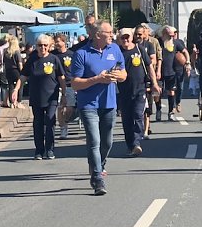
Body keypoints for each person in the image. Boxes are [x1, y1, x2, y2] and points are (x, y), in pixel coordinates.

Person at [71, 20, 126, 195]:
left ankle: (99, 164)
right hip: (88, 105)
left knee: (107, 142)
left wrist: (118, 75)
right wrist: (97, 79)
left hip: (109, 104)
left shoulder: (114, 49)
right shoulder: (81, 54)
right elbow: (75, 83)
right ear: (97, 35)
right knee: (94, 141)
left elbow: (124, 73)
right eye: (108, 33)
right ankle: (97, 179)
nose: (112, 35)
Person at [20, 35, 65, 160]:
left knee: (50, 121)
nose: (43, 47)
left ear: (49, 46)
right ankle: (39, 150)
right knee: (38, 123)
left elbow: (61, 77)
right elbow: (23, 76)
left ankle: (50, 149)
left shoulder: (54, 59)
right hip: (36, 97)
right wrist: (16, 89)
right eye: (40, 45)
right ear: (36, 46)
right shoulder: (32, 60)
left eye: (45, 45)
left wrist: (64, 94)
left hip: (51, 97)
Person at [117, 28, 158, 156]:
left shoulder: (139, 50)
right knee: (127, 119)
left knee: (137, 114)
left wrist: (155, 83)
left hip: (140, 89)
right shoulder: (117, 52)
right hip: (123, 91)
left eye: (127, 37)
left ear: (131, 37)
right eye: (122, 38)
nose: (125, 40)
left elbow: (149, 66)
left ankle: (136, 142)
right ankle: (131, 144)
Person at [157, 25, 184, 121]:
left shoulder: (175, 43)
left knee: (171, 92)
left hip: (171, 71)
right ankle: (158, 110)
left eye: (173, 35)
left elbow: (185, 51)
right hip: (159, 71)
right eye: (169, 35)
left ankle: (170, 112)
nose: (171, 37)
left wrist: (187, 62)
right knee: (158, 92)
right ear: (164, 34)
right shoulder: (158, 42)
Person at [139, 23, 162, 135]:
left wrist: (157, 70)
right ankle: (143, 126)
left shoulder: (152, 43)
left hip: (150, 73)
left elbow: (156, 58)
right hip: (138, 77)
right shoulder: (134, 45)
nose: (142, 34)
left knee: (153, 97)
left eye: (144, 31)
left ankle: (157, 110)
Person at [52, 34, 76, 139]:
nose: (57, 43)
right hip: (57, 85)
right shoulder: (53, 55)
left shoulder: (71, 54)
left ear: (64, 42)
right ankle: (63, 128)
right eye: (55, 41)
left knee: (70, 108)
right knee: (60, 107)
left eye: (58, 41)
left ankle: (67, 120)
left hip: (70, 84)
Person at [170, 28, 191, 114]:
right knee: (171, 88)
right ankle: (172, 106)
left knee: (180, 87)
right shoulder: (165, 42)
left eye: (175, 33)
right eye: (172, 33)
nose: (174, 34)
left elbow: (185, 52)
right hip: (170, 67)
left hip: (180, 67)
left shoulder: (179, 42)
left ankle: (178, 101)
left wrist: (187, 64)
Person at [3, 37, 23, 108]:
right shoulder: (17, 52)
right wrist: (22, 71)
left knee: (11, 86)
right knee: (19, 86)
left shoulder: (6, 52)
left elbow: (4, 62)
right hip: (16, 70)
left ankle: (11, 103)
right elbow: (20, 63)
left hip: (8, 70)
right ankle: (18, 102)